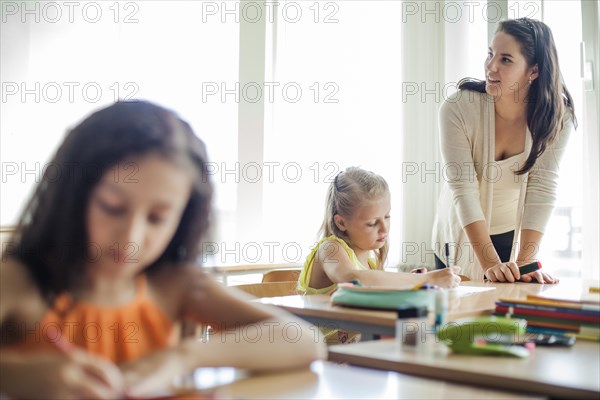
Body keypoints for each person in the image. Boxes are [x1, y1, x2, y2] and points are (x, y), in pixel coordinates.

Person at [0, 100, 325, 399]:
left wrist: (184, 356)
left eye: (158, 218)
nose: (131, 237)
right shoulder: (19, 281)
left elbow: (304, 340)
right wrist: (17, 375)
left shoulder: (175, 285)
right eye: (112, 207)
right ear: (72, 196)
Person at [432, 18, 576, 283]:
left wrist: (525, 263)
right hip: (459, 233)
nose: (491, 66)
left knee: (504, 315)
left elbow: (542, 187)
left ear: (533, 71)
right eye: (490, 54)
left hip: (508, 232)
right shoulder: (457, 108)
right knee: (459, 317)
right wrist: (488, 264)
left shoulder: (558, 118)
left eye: (506, 60)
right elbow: (462, 188)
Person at [298, 166, 460, 295]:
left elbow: (370, 288)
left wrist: (411, 281)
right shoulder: (330, 249)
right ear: (341, 222)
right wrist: (427, 279)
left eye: (387, 217)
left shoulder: (369, 263)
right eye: (372, 223)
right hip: (319, 337)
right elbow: (352, 279)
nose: (384, 229)